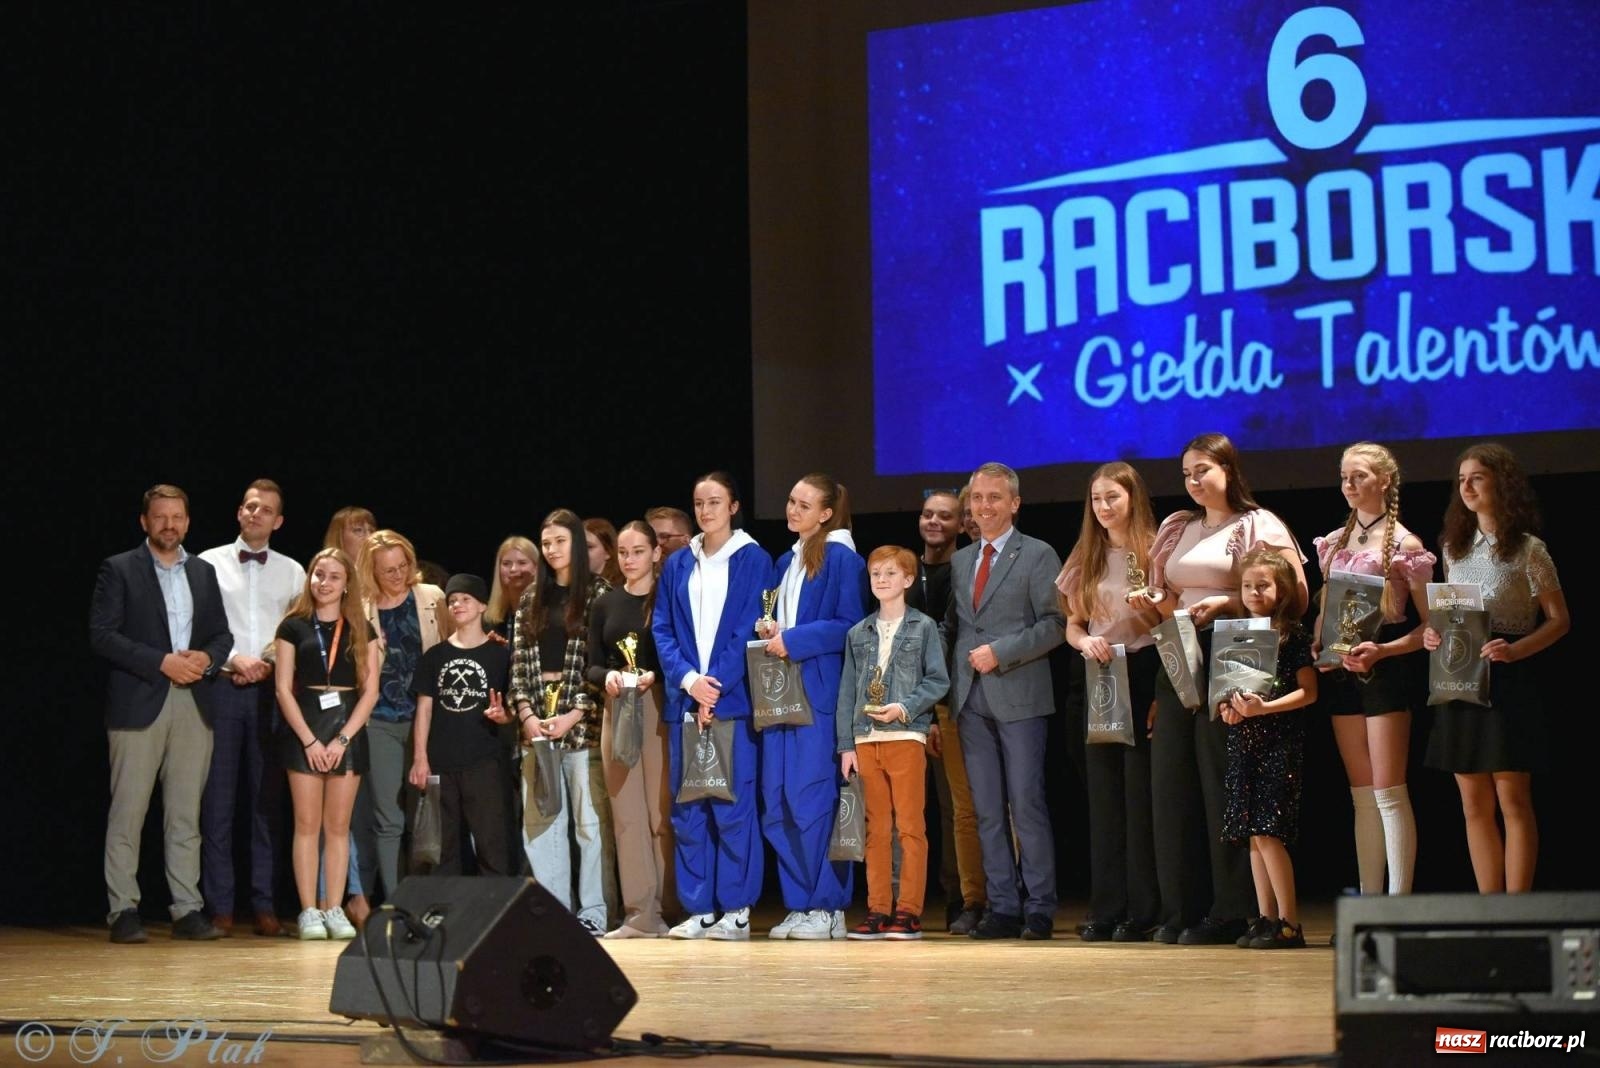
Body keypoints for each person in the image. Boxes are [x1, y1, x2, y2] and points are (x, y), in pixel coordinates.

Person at [1145, 432, 1308, 946]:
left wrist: (1228, 605)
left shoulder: (1259, 524)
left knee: (1224, 775)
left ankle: (1237, 909)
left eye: (1203, 471)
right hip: (1179, 648)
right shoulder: (1177, 526)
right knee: (1172, 778)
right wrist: (1151, 603)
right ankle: (1181, 908)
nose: (1194, 481)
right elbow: (1165, 593)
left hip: (1236, 646)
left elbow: (1295, 595)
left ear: (1228, 471)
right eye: (1186, 473)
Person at [1423, 443, 1569, 894]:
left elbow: (1560, 621)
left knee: (1513, 801)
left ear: (1500, 483)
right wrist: (1435, 635)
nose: (1466, 487)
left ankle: (1516, 906)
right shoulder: (1452, 547)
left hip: (1509, 679)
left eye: (1477, 478)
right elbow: (1450, 613)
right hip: (1460, 677)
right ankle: (1488, 905)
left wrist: (1517, 651)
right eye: (1461, 479)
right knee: (1472, 804)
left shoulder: (1530, 550)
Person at [90, 484, 232, 944]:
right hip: (139, 702)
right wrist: (161, 661)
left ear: (187, 523)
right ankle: (122, 910)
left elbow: (221, 636)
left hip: (193, 702)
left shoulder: (204, 572)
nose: (169, 525)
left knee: (185, 815)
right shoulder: (119, 569)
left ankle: (187, 909)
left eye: (177, 517)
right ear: (145, 522)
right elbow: (102, 635)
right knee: (129, 812)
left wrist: (206, 661)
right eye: (160, 517)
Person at [943, 462, 1066, 940]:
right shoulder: (960, 560)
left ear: (1014, 503)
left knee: (1026, 805)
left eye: (995, 498)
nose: (984, 506)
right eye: (977, 498)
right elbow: (957, 630)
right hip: (971, 701)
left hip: (1019, 696)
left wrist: (1002, 652)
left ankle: (1039, 908)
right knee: (987, 810)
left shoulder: (1037, 555)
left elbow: (1055, 624)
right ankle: (1002, 907)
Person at [1312, 443, 1435, 897]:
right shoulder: (1334, 542)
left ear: (1384, 480)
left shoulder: (1406, 544)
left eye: (1359, 476)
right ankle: (1370, 899)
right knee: (1361, 794)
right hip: (1343, 671)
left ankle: (1398, 904)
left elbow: (1429, 627)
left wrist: (1382, 652)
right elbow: (1329, 611)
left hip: (1384, 669)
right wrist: (1320, 641)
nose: (1349, 485)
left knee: (1388, 790)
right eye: (1345, 477)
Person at [652, 472, 768, 940]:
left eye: (715, 501)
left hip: (730, 701)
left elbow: (748, 628)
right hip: (686, 700)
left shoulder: (752, 559)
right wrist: (689, 681)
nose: (705, 510)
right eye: (699, 502)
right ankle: (699, 909)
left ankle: (736, 909)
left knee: (732, 805)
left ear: (734, 506)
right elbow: (662, 627)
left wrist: (713, 686)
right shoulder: (680, 562)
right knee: (689, 808)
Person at [756, 472, 867, 941]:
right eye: (790, 501)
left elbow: (850, 624)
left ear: (826, 513)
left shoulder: (843, 559)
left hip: (818, 695)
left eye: (804, 505)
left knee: (814, 802)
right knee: (777, 802)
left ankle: (829, 906)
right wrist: (771, 631)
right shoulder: (786, 560)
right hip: (780, 694)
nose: (792, 510)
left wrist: (793, 640)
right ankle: (801, 903)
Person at [1057, 462, 1163, 942]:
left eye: (1112, 498)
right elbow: (1073, 624)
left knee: (1139, 796)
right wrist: (1082, 643)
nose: (1103, 507)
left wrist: (1155, 608)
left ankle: (1143, 909)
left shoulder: (1157, 546)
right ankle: (1107, 907)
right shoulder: (1088, 552)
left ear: (1132, 498)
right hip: (1101, 672)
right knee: (1103, 799)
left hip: (1145, 670)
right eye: (1097, 499)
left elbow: (1172, 620)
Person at [197, 478, 305, 937]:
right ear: (239, 512)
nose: (256, 513)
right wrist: (231, 660)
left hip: (271, 691)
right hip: (220, 687)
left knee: (267, 802)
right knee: (218, 802)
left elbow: (297, 633)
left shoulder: (295, 572)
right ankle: (219, 905)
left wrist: (264, 662)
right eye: (250, 506)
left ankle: (264, 903)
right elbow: (195, 626)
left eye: (266, 509)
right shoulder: (207, 563)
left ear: (278, 521)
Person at [509, 509, 615, 934]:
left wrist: (574, 713)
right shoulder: (531, 597)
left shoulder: (599, 595)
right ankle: (552, 911)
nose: (551, 550)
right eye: (546, 542)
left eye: (559, 541)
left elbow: (600, 664)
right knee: (541, 822)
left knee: (590, 824)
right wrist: (528, 716)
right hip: (537, 723)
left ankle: (594, 911)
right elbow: (517, 663)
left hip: (582, 725)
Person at [836, 545, 949, 940]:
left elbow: (938, 680)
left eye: (889, 573)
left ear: (907, 580)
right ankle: (878, 908)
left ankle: (909, 911)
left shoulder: (924, 627)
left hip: (905, 735)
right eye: (875, 574)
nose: (881, 580)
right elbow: (847, 692)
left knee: (910, 826)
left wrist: (903, 707)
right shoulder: (858, 632)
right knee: (876, 828)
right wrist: (845, 744)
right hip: (867, 739)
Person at [275, 548, 377, 940]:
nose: (325, 582)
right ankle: (308, 910)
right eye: (319, 574)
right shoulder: (293, 626)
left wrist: (341, 739)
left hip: (346, 729)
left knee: (338, 826)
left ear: (346, 583)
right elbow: (284, 689)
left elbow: (369, 693)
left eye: (334, 576)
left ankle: (334, 907)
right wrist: (311, 741)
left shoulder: (360, 628)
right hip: (306, 725)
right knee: (307, 824)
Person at [1219, 548, 1318, 949]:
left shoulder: (1293, 635)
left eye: (1263, 585)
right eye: (1247, 585)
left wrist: (1264, 709)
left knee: (1268, 830)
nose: (1254, 592)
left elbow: (1308, 692)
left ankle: (1290, 922)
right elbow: (1230, 691)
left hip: (1279, 740)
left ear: (1282, 590)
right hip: (1245, 740)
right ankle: (1265, 918)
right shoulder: (1238, 633)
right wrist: (1231, 710)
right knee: (1252, 835)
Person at [587, 521, 675, 938]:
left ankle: (669, 908)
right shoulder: (605, 603)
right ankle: (639, 913)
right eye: (623, 552)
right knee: (626, 815)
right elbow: (591, 660)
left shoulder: (668, 599)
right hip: (617, 706)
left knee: (661, 813)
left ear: (656, 553)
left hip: (657, 705)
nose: (629, 560)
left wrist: (653, 677)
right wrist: (606, 676)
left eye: (638, 551)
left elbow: (678, 652)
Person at [357, 529, 452, 903]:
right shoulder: (360, 606)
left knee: (427, 813)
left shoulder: (432, 598)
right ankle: (395, 901)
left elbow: (451, 648)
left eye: (402, 566)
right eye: (388, 571)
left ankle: (429, 896)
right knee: (388, 818)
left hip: (427, 718)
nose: (397, 575)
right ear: (372, 571)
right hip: (379, 719)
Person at [909, 489, 986, 934]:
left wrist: (938, 708)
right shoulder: (903, 570)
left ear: (962, 524)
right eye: (927, 514)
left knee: (959, 805)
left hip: (952, 703)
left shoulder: (965, 572)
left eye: (945, 516)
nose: (934, 522)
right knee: (917, 809)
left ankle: (965, 897)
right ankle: (913, 899)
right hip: (908, 707)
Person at [407, 574, 514, 876]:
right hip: (441, 762)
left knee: (491, 843)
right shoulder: (435, 657)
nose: (457, 605)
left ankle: (495, 914)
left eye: (465, 599)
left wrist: (503, 717)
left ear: (482, 605)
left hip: (484, 762)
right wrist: (420, 758)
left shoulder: (500, 655)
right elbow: (424, 710)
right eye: (452, 600)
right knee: (442, 848)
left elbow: (511, 711)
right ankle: (445, 915)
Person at [486, 536, 539, 643]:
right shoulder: (489, 620)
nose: (513, 569)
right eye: (506, 564)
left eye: (522, 563)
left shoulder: (547, 612)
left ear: (536, 567)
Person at [585, 517, 625, 586]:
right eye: (578, 545)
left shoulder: (616, 591)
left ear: (608, 552)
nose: (581, 551)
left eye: (589, 547)